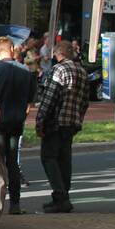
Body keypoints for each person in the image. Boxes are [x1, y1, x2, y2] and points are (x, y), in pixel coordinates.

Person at [0, 36, 36, 215]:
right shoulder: (25, 71)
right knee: (12, 162)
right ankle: (15, 204)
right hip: (17, 120)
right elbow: (31, 97)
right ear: (12, 49)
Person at [35, 40, 90, 213]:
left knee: (49, 157)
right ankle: (64, 195)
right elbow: (85, 101)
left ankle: (60, 196)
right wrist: (78, 118)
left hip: (56, 122)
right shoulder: (82, 71)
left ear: (59, 54)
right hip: (72, 122)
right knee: (64, 159)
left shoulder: (59, 69)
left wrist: (40, 120)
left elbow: (49, 98)